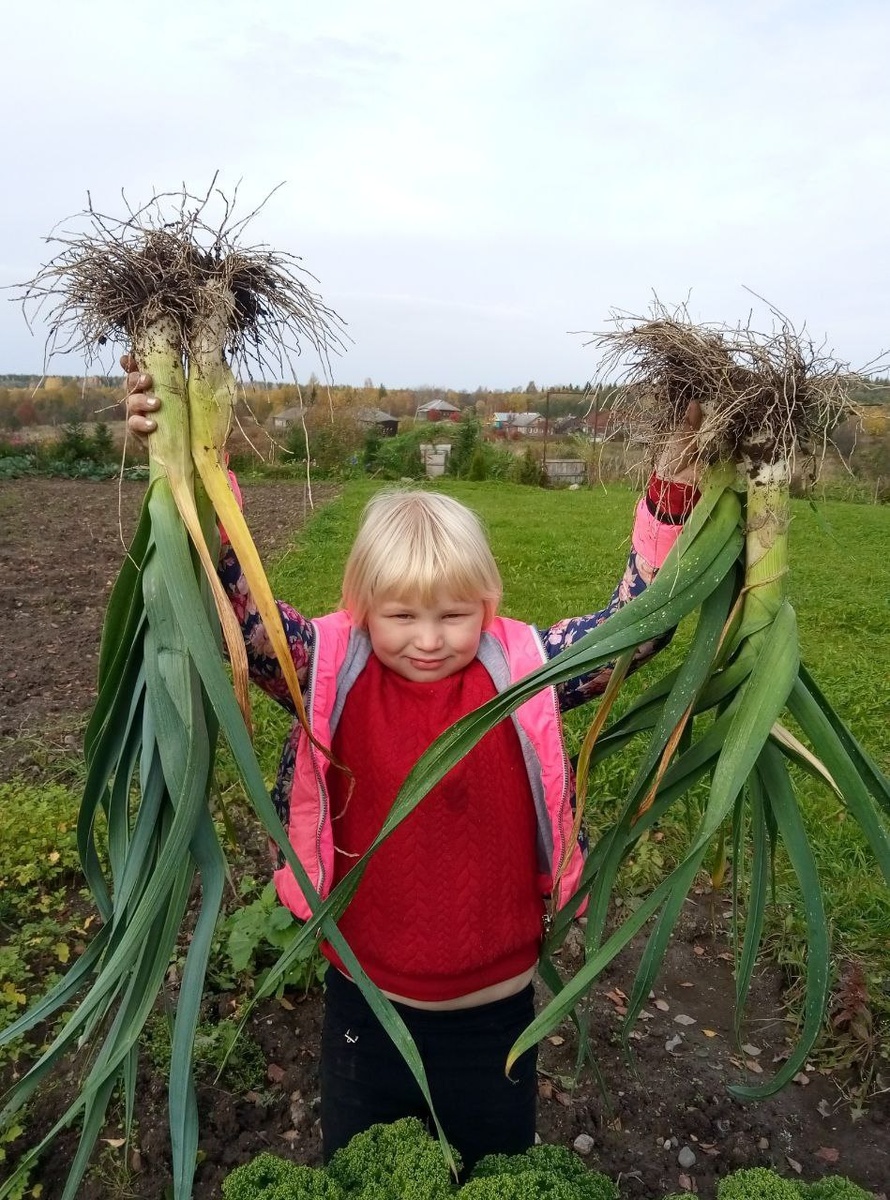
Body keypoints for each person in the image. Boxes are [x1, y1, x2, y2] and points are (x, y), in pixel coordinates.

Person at [125, 365, 700, 1171]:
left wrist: (676, 483)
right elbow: (233, 603)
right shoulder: (322, 667)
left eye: (454, 615)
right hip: (365, 1004)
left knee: (492, 1172)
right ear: (360, 604)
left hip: (497, 1014)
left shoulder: (524, 671)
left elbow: (637, 627)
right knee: (363, 1171)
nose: (428, 638)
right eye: (401, 615)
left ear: (489, 603)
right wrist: (186, 459)